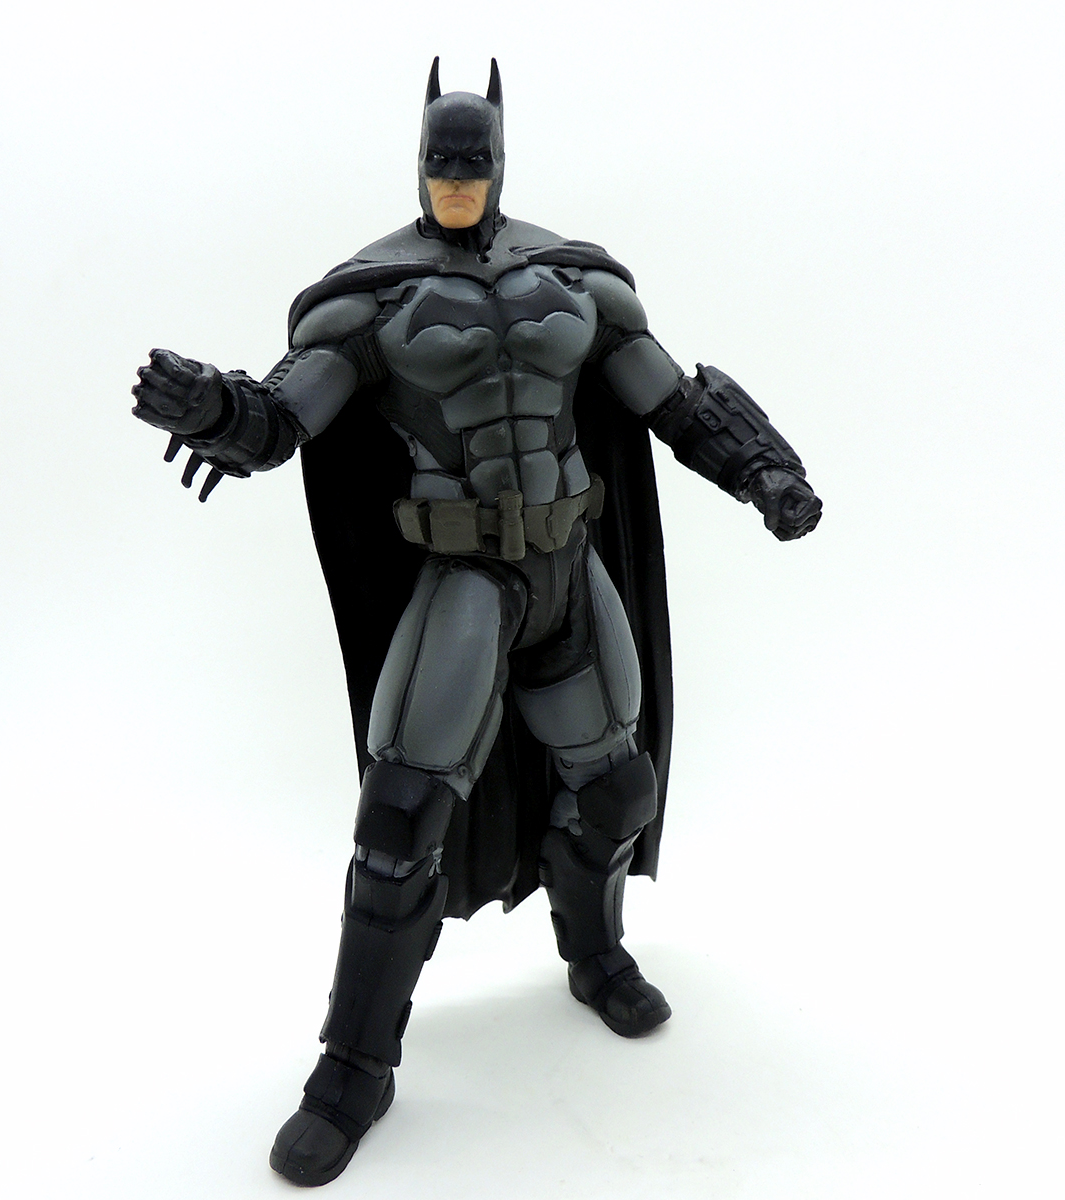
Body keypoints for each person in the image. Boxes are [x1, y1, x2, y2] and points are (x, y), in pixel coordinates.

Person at [131, 57, 821, 1187]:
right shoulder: (370, 303)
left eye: (474, 165)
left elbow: (673, 402)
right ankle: (354, 1066)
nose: (457, 182)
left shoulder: (578, 286)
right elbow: (281, 421)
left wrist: (765, 473)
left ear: (499, 165)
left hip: (569, 564)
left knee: (618, 787)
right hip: (467, 580)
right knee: (401, 813)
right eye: (441, 165)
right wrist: (214, 408)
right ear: (418, 166)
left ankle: (593, 952)